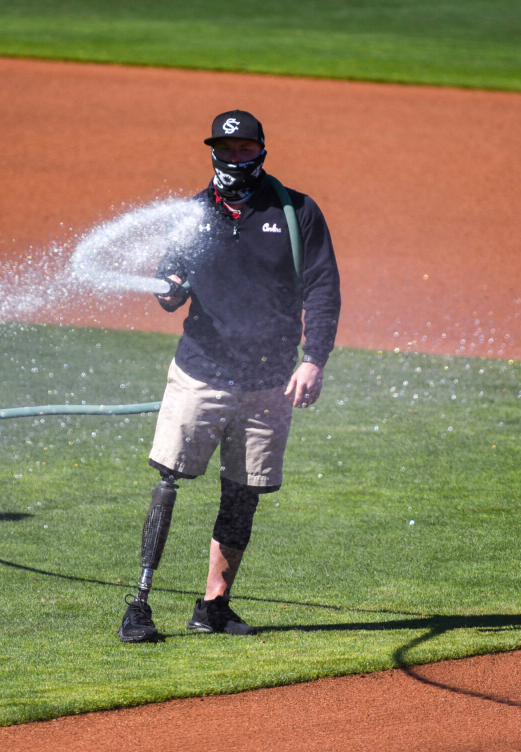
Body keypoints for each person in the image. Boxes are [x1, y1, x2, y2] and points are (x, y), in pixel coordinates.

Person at [118, 110, 340, 642]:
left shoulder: (297, 212)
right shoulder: (191, 214)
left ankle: (213, 606)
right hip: (201, 373)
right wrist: (169, 287)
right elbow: (169, 290)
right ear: (213, 151)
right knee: (169, 479)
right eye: (225, 148)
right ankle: (140, 604)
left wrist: (314, 359)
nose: (235, 157)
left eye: (245, 149)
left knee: (243, 492)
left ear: (262, 150)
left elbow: (323, 288)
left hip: (269, 382)